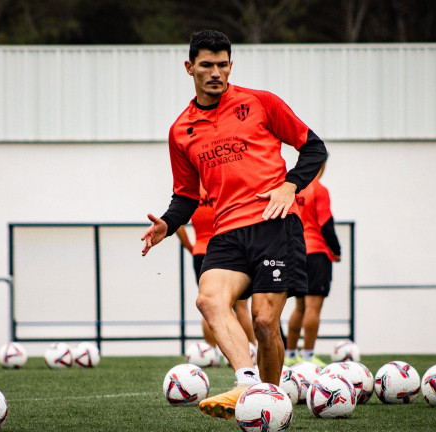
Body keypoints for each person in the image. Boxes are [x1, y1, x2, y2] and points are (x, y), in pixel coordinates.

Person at [141, 30, 327, 420]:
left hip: (274, 225)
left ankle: (271, 400)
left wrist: (289, 186)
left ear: (231, 66)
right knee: (208, 300)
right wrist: (168, 225)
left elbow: (314, 147)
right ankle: (247, 384)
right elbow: (187, 194)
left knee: (263, 321)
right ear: (189, 68)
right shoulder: (180, 130)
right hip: (226, 232)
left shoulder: (260, 102)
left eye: (223, 64)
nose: (215, 73)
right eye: (206, 65)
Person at [175, 186, 257, 361]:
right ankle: (252, 351)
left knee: (211, 304)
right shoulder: (220, 188)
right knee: (241, 306)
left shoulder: (193, 192)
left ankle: (210, 353)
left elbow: (178, 223)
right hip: (227, 249)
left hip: (201, 251)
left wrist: (190, 246)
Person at [284, 164, 341, 368]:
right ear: (323, 164)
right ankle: (307, 356)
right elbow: (325, 222)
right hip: (316, 252)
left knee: (298, 306)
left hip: (295, 252)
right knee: (313, 308)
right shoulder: (319, 189)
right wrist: (336, 249)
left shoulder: (293, 189)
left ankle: (290, 354)